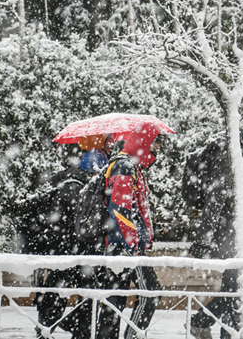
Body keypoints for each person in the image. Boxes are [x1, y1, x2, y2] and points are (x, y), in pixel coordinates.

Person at [186, 116, 243, 339]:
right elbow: (216, 197)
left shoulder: (240, 151)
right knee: (237, 283)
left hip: (233, 229)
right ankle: (216, 328)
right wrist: (204, 238)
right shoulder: (231, 152)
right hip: (226, 230)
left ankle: (202, 321)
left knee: (240, 282)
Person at [23, 134, 112, 339]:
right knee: (79, 294)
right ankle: (58, 329)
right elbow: (77, 220)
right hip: (73, 249)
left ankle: (50, 328)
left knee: (64, 292)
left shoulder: (68, 179)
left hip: (65, 249)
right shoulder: (79, 185)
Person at [96, 125, 167, 339]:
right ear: (143, 143)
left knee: (115, 300)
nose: (156, 149)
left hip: (123, 245)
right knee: (150, 293)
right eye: (154, 144)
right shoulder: (125, 166)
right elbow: (120, 208)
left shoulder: (133, 167)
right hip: (125, 247)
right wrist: (133, 244)